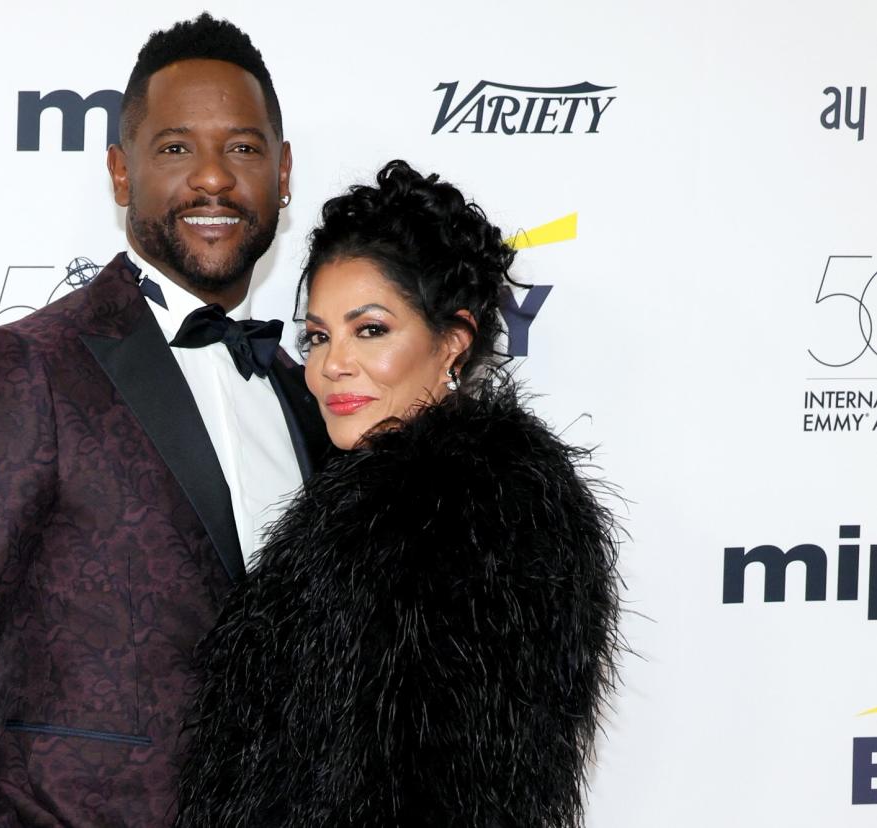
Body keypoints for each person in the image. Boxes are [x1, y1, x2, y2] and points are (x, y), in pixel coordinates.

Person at [0, 14, 327, 827]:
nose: (212, 179)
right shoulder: (28, 368)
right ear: (121, 172)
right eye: (176, 148)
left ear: (283, 174)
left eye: (244, 149)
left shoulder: (305, 393)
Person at [174, 160, 623, 827]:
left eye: (371, 329)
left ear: (451, 342)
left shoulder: (461, 523)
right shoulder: (364, 502)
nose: (331, 365)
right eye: (318, 336)